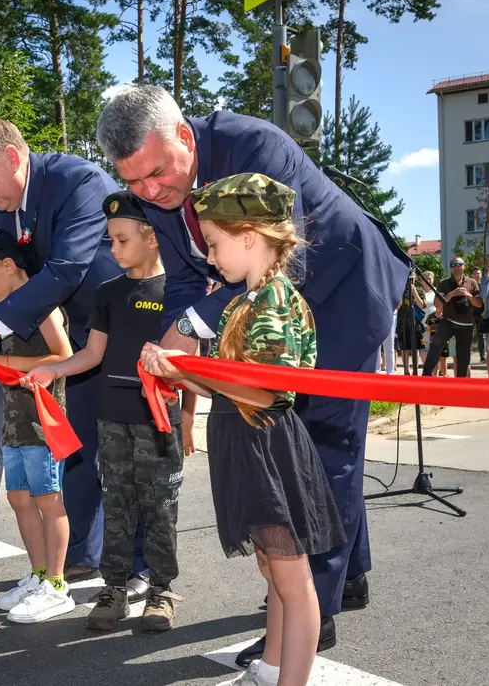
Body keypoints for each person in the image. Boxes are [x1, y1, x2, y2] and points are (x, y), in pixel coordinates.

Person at [95, 85, 407, 666]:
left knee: (323, 445)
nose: (149, 193)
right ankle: (350, 570)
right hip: (263, 303)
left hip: (341, 291)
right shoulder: (159, 193)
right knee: (307, 446)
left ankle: (315, 609)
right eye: (132, 183)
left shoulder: (253, 147)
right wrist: (173, 337)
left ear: (184, 136)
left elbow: (282, 260)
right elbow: (188, 279)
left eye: (158, 174)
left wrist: (192, 326)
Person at [140, 174, 346, 686]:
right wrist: (178, 370)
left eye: (214, 243)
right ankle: (273, 665)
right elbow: (230, 388)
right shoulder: (243, 302)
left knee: (292, 579)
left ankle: (291, 679)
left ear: (249, 236)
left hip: (266, 443)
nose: (210, 259)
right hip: (247, 440)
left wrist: (189, 368)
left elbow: (268, 393)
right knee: (272, 570)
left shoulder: (273, 300)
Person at [0, 118, 123, 579]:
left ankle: (138, 570)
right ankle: (80, 556)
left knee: (127, 457)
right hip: (75, 336)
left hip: (122, 333)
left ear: (13, 158)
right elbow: (12, 278)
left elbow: (64, 270)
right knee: (77, 451)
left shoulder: (77, 182)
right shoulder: (5, 207)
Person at [25, 191, 185, 633]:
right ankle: (114, 589)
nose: (112, 250)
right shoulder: (109, 293)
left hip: (157, 421)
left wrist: (186, 419)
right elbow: (93, 353)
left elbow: (188, 363)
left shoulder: (176, 291)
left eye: (121, 240)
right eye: (110, 241)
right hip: (112, 418)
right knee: (118, 505)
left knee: (159, 509)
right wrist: (53, 368)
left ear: (152, 238)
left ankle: (160, 591)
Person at [0, 227, 76, 622]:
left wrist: (4, 365)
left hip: (43, 423)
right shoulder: (6, 312)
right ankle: (39, 574)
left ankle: (58, 585)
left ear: (9, 266)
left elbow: (63, 355)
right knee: (20, 499)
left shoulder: (42, 307)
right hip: (15, 422)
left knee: (48, 501)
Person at [423, 257, 480, 378]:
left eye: (459, 264)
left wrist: (468, 295)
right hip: (448, 322)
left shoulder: (472, 283)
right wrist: (452, 294)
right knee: (436, 345)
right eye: (453, 265)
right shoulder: (444, 283)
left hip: (466, 325)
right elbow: (437, 304)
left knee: (463, 357)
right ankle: (426, 376)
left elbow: (479, 304)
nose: (456, 267)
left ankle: (461, 383)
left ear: (464, 266)